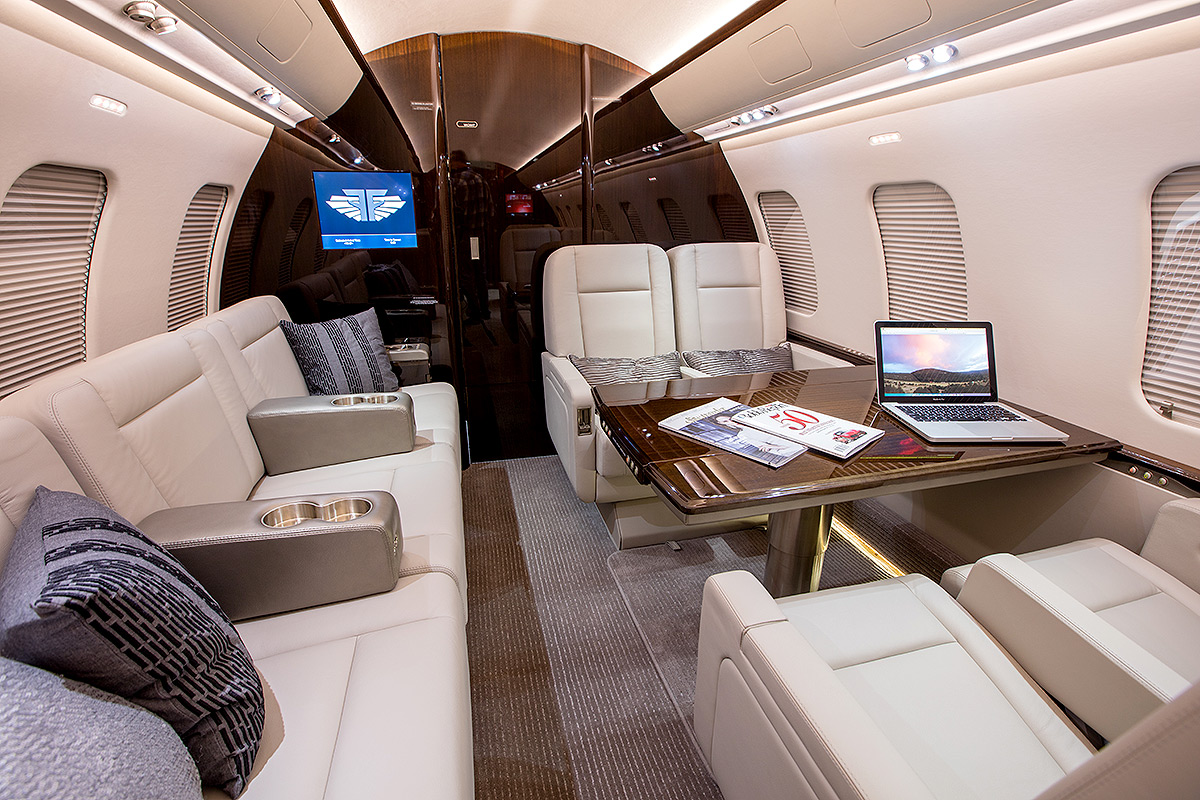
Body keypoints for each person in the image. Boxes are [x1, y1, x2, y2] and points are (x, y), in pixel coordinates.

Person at [449, 150, 491, 321]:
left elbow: (454, 213)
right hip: (478, 235)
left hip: (465, 234)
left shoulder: (456, 181)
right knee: (480, 271)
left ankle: (474, 311)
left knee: (466, 274)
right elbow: (491, 210)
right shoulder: (481, 179)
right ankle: (485, 309)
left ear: (454, 162)